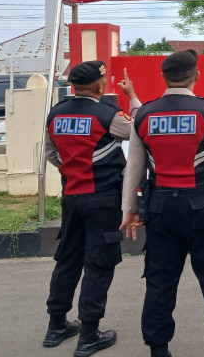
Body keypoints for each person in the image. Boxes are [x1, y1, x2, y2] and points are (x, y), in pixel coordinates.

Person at [120, 49, 204, 357]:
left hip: (160, 211)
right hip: (203, 209)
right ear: (196, 76)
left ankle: (158, 350)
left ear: (163, 78)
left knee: (159, 281)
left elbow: (134, 169)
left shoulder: (144, 115)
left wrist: (130, 210)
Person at [43, 61, 141, 356]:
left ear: (73, 86)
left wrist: (74, 172)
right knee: (98, 265)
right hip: (102, 200)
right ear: (100, 87)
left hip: (71, 198)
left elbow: (50, 153)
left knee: (68, 260)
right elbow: (142, 130)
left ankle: (56, 326)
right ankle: (89, 335)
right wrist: (132, 97)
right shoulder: (108, 115)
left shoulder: (55, 114)